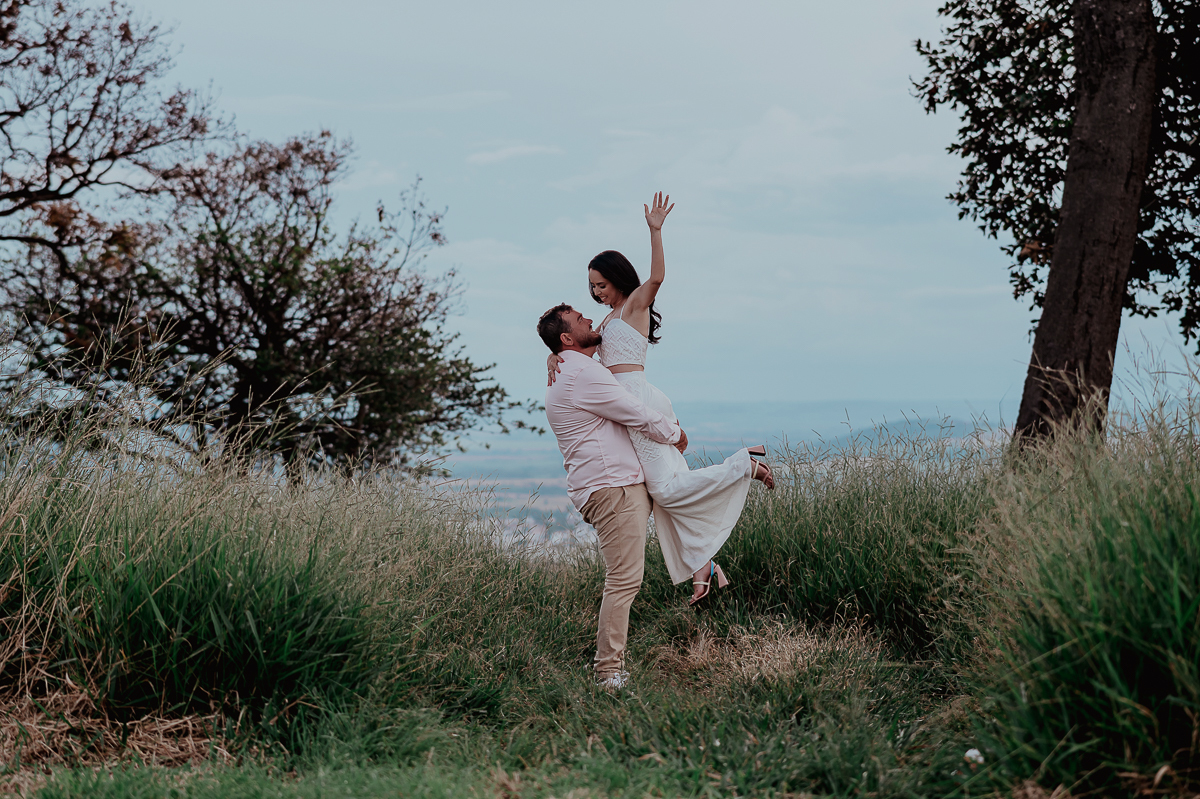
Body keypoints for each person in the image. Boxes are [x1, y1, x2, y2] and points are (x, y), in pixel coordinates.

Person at [548, 192, 774, 605]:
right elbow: (576, 348)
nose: (596, 293)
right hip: (634, 404)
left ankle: (745, 465)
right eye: (592, 287)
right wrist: (553, 354)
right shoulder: (604, 321)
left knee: (667, 491)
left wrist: (655, 231)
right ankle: (703, 569)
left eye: (601, 284)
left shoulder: (634, 304)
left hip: (640, 404)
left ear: (617, 279)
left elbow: (657, 278)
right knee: (663, 493)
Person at [537, 302, 687, 691]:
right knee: (623, 580)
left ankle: (705, 569)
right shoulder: (581, 374)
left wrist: (552, 355)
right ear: (568, 337)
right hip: (612, 488)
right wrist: (675, 433)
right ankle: (608, 674)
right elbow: (634, 412)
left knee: (628, 575)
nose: (588, 316)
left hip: (611, 485)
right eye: (578, 318)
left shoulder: (570, 368)